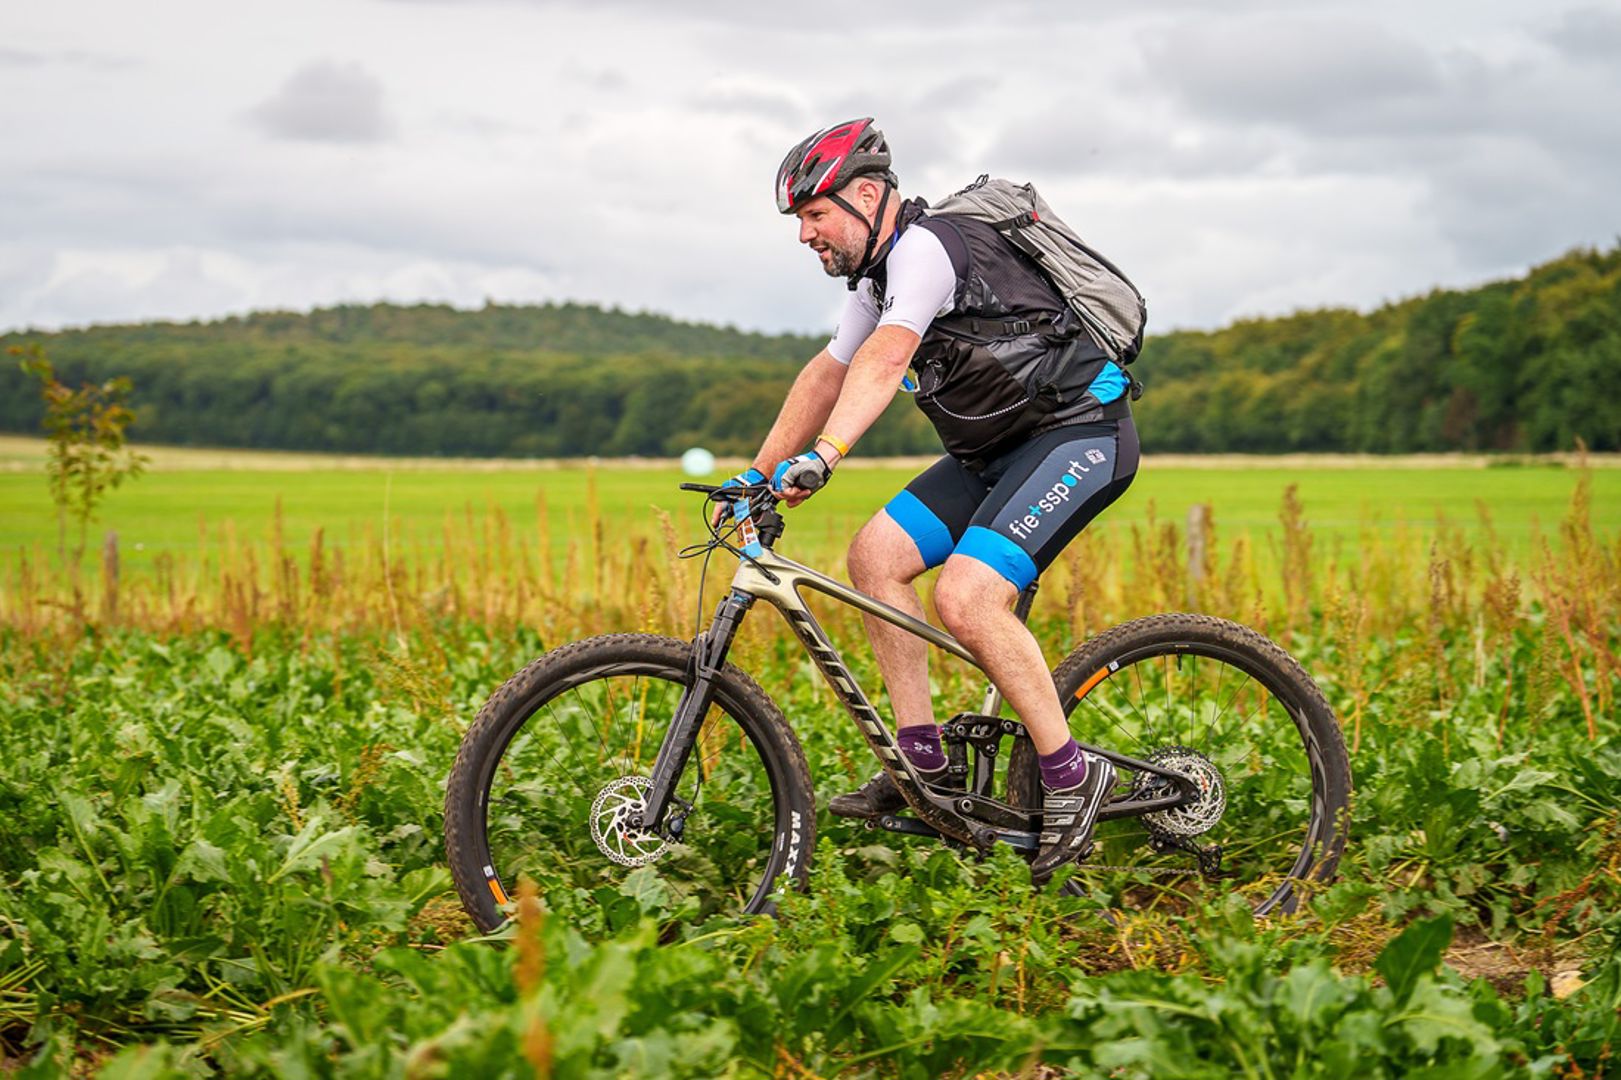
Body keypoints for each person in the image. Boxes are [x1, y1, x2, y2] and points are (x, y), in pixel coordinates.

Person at [731, 117, 1140, 881]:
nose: (805, 235)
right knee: (875, 558)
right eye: (800, 221)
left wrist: (825, 456)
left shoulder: (929, 246)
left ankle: (1072, 778)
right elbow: (828, 374)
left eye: (814, 215)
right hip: (991, 454)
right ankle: (926, 766)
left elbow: (886, 360)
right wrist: (755, 475)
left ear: (864, 195)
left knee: (968, 597)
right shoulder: (878, 277)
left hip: (1077, 436)